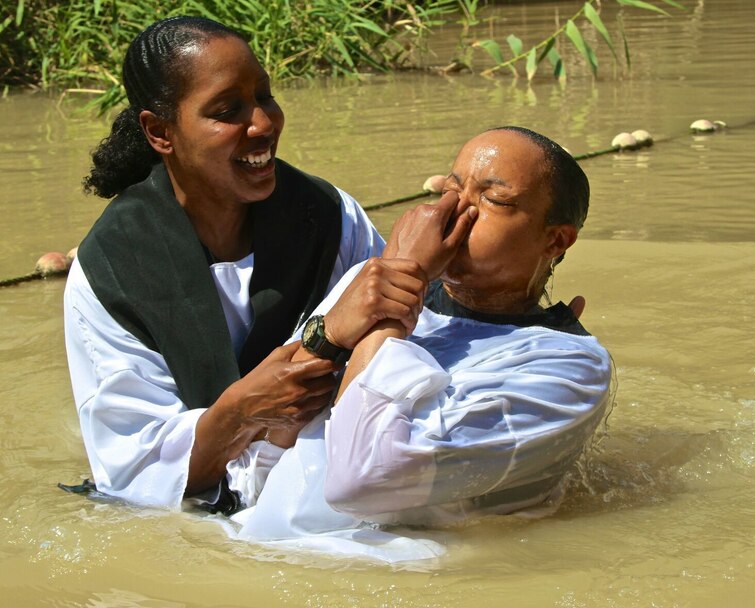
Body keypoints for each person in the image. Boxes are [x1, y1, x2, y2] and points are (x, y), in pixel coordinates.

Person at [63, 16, 431, 513]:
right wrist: (238, 413)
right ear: (159, 132)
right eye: (227, 110)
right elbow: (133, 471)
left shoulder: (327, 215)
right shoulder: (111, 268)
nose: (262, 124)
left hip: (322, 482)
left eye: (265, 96)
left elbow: (406, 346)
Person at [227, 127, 614, 561]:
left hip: (365, 580)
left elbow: (362, 477)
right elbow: (259, 449)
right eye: (451, 188)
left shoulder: (567, 367)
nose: (450, 211)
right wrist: (337, 331)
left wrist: (399, 283)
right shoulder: (370, 283)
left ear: (555, 239)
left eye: (494, 201)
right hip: (250, 548)